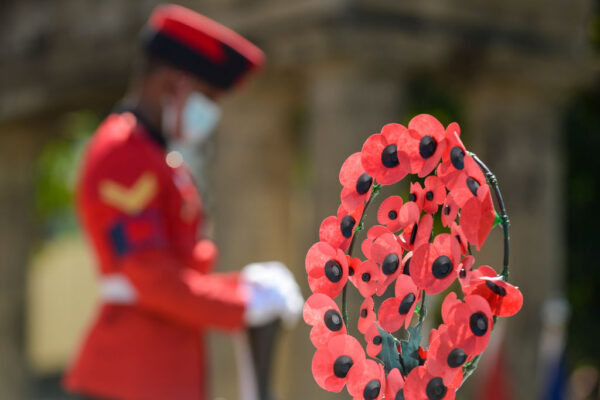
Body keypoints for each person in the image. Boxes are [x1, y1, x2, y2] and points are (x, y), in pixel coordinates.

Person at [63, 4, 302, 400]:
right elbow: (152, 278)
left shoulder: (154, 155)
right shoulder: (123, 153)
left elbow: (176, 271)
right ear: (172, 84)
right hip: (128, 379)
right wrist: (243, 302)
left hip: (154, 378)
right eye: (207, 97)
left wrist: (244, 287)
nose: (211, 113)